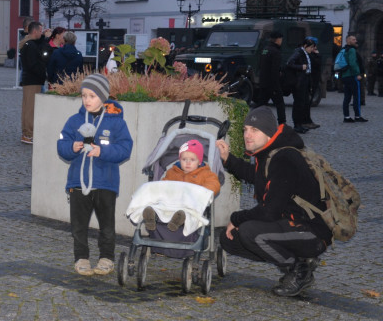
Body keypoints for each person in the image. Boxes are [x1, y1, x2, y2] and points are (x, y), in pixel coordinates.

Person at [214, 106, 331, 297]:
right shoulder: (270, 153)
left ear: (269, 134)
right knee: (229, 240)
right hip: (290, 224)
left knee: (248, 231)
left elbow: (269, 212)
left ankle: (299, 271)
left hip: (312, 232)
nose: (247, 135)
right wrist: (227, 159)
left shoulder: (283, 158)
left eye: (255, 130)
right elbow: (258, 177)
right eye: (245, 130)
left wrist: (236, 218)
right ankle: (298, 260)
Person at [57, 73, 133, 276]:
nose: (87, 100)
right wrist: (71, 147)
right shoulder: (74, 121)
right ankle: (81, 258)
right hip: (77, 182)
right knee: (78, 225)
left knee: (107, 225)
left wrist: (103, 151)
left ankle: (106, 258)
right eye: (84, 95)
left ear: (103, 97)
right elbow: (61, 145)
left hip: (105, 182)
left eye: (92, 95)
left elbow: (125, 149)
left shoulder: (117, 123)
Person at [140, 139, 221, 232]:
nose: (188, 163)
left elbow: (214, 184)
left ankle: (179, 220)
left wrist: (202, 192)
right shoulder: (173, 172)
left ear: (199, 161)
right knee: (161, 207)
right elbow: (163, 185)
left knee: (191, 214)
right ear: (179, 159)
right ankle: (152, 215)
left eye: (192, 160)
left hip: (190, 204)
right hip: (172, 203)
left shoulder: (206, 174)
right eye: (184, 159)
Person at [19, 21, 49, 144]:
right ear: (35, 31)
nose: (42, 33)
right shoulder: (30, 45)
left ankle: (27, 133)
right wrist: (43, 73)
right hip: (32, 80)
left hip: (30, 79)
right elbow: (33, 64)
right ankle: (28, 134)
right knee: (30, 108)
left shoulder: (28, 44)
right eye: (41, 31)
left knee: (28, 107)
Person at [285, 37, 318, 133]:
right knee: (298, 104)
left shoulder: (306, 53)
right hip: (299, 82)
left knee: (303, 103)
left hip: (305, 80)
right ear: (305, 46)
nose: (312, 49)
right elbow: (289, 63)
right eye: (311, 47)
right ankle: (297, 125)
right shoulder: (298, 53)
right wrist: (301, 67)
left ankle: (300, 123)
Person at [252, 31, 285, 125]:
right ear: (278, 39)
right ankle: (282, 124)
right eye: (281, 39)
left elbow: (260, 65)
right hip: (272, 83)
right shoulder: (276, 52)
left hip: (263, 82)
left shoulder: (265, 49)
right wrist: (276, 85)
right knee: (280, 104)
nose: (281, 41)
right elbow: (275, 70)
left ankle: (251, 120)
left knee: (260, 104)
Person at [339, 34, 366, 123]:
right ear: (348, 41)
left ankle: (346, 117)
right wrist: (357, 74)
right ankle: (357, 116)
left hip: (345, 76)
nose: (356, 41)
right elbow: (353, 63)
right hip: (352, 76)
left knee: (347, 97)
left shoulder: (343, 49)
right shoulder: (352, 50)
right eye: (353, 39)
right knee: (356, 97)